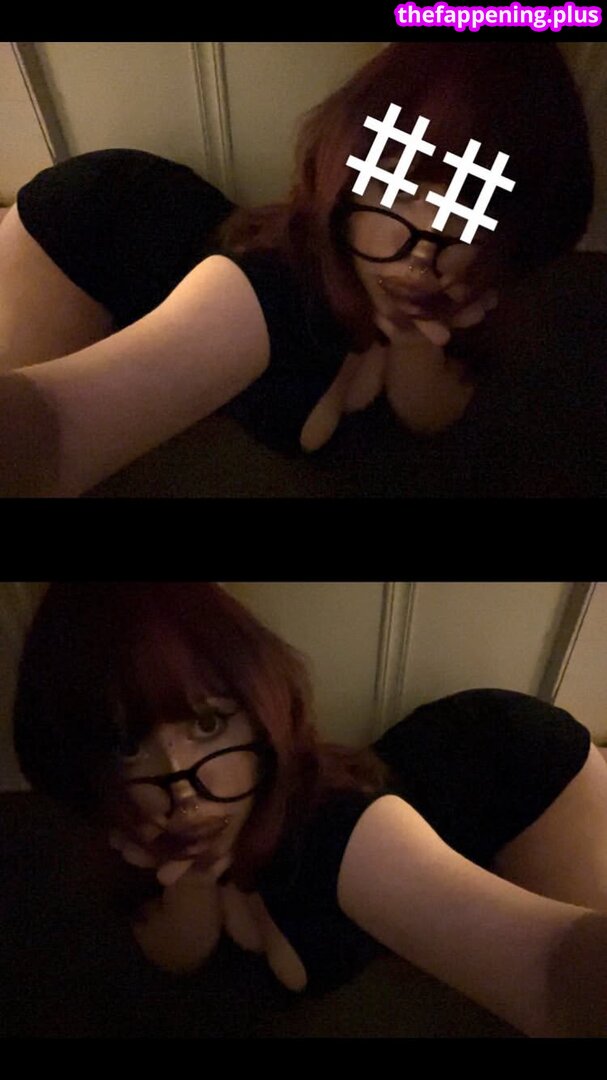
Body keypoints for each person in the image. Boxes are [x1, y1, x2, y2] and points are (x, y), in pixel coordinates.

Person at [11, 581, 607, 1036]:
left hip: (521, 768)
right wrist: (192, 875)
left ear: (259, 708)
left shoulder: (339, 831)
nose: (180, 786)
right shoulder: (130, 827)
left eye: (208, 723)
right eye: (128, 744)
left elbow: (553, 974)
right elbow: (176, 954)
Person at [0, 42, 593, 496]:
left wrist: (413, 335)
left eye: (469, 215)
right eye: (401, 186)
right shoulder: (266, 295)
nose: (424, 246)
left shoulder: (463, 291)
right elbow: (54, 432)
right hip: (85, 229)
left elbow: (431, 412)